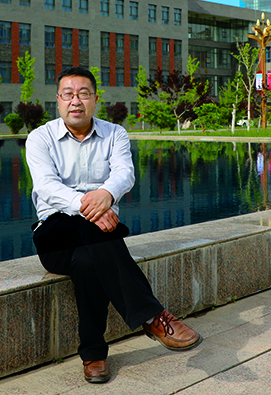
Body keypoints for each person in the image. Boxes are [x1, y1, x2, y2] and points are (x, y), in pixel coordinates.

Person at [26, 67, 201, 384]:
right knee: (90, 226)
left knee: (87, 261)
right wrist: (91, 208)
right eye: (68, 94)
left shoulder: (115, 134)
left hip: (98, 239)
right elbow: (47, 187)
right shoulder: (40, 138)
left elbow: (125, 174)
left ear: (95, 99)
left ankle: (94, 355)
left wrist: (106, 194)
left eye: (83, 94)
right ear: (58, 100)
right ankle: (152, 316)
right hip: (54, 238)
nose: (76, 101)